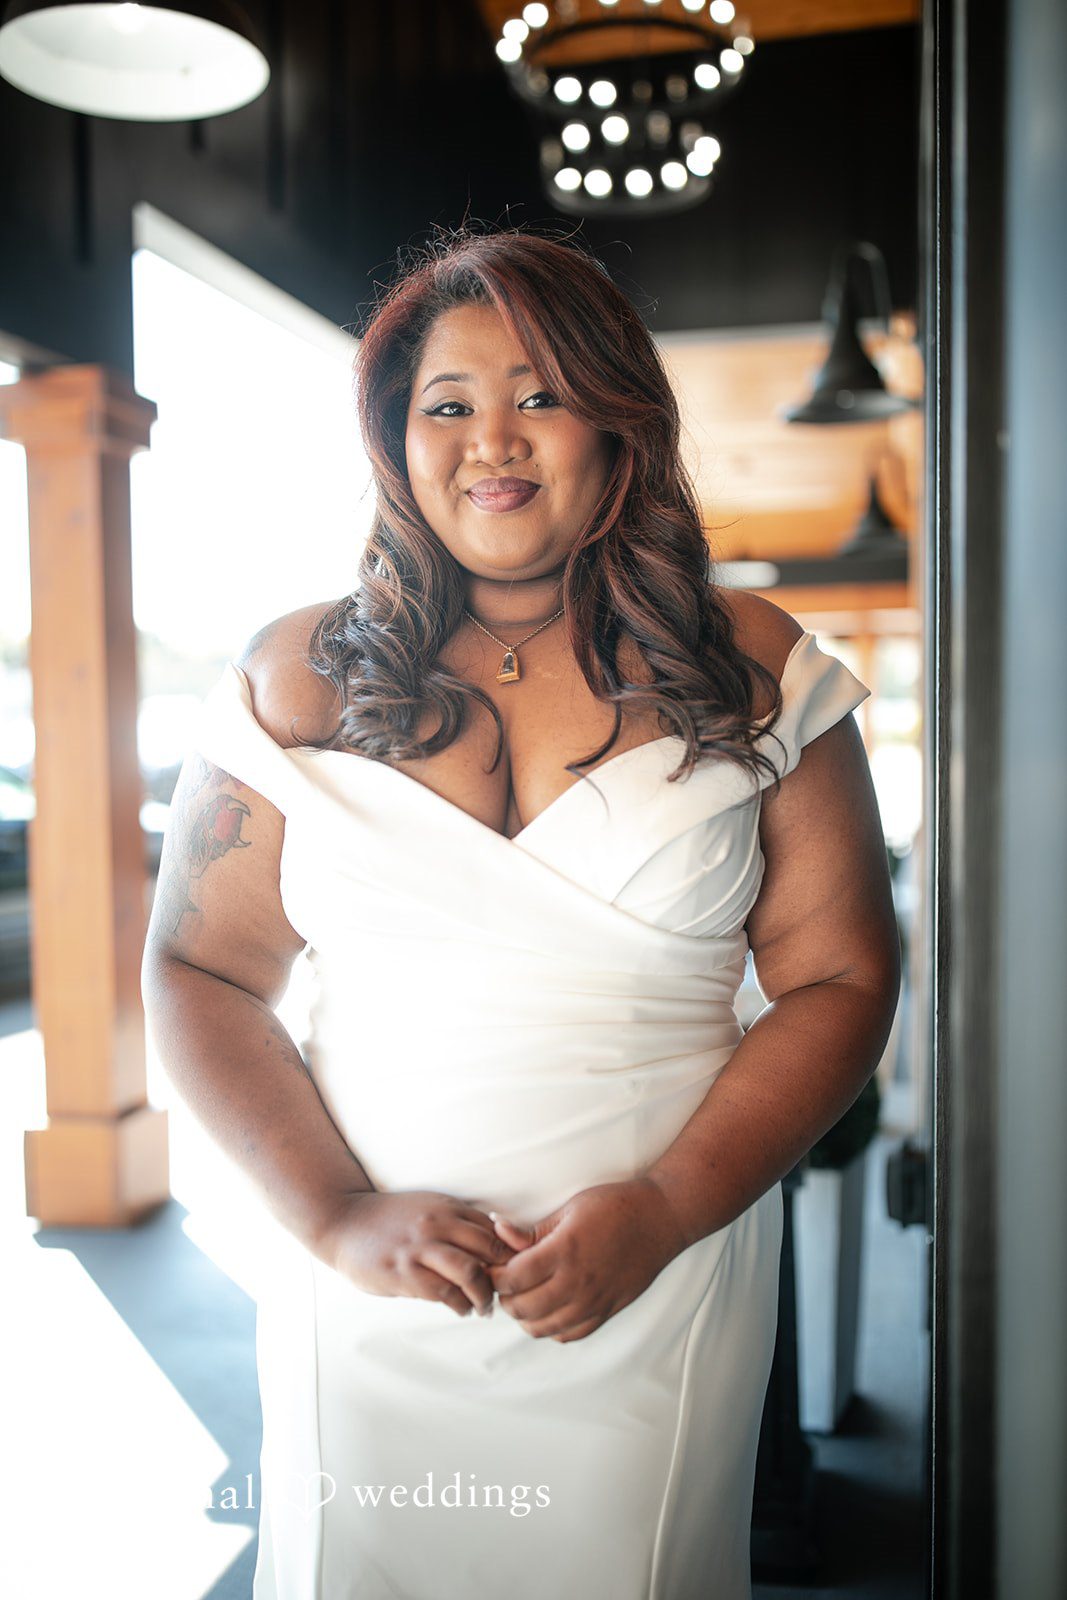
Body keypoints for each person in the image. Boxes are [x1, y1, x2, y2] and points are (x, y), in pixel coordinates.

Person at [142, 223, 900, 1600]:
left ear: (618, 422)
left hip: (655, 1283)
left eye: (540, 394)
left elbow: (843, 980)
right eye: (449, 404)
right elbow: (198, 967)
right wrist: (328, 1218)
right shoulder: (293, 677)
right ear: (398, 438)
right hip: (369, 1292)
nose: (494, 439)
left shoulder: (757, 671)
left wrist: (670, 1208)